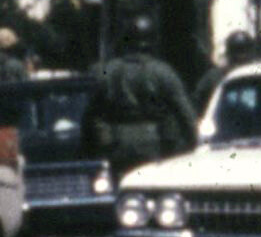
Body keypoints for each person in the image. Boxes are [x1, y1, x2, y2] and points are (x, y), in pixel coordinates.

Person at [85, 35, 200, 179]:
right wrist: (195, 142)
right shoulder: (162, 72)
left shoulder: (106, 72)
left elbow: (93, 113)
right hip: (156, 143)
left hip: (118, 143)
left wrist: (103, 141)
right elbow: (184, 111)